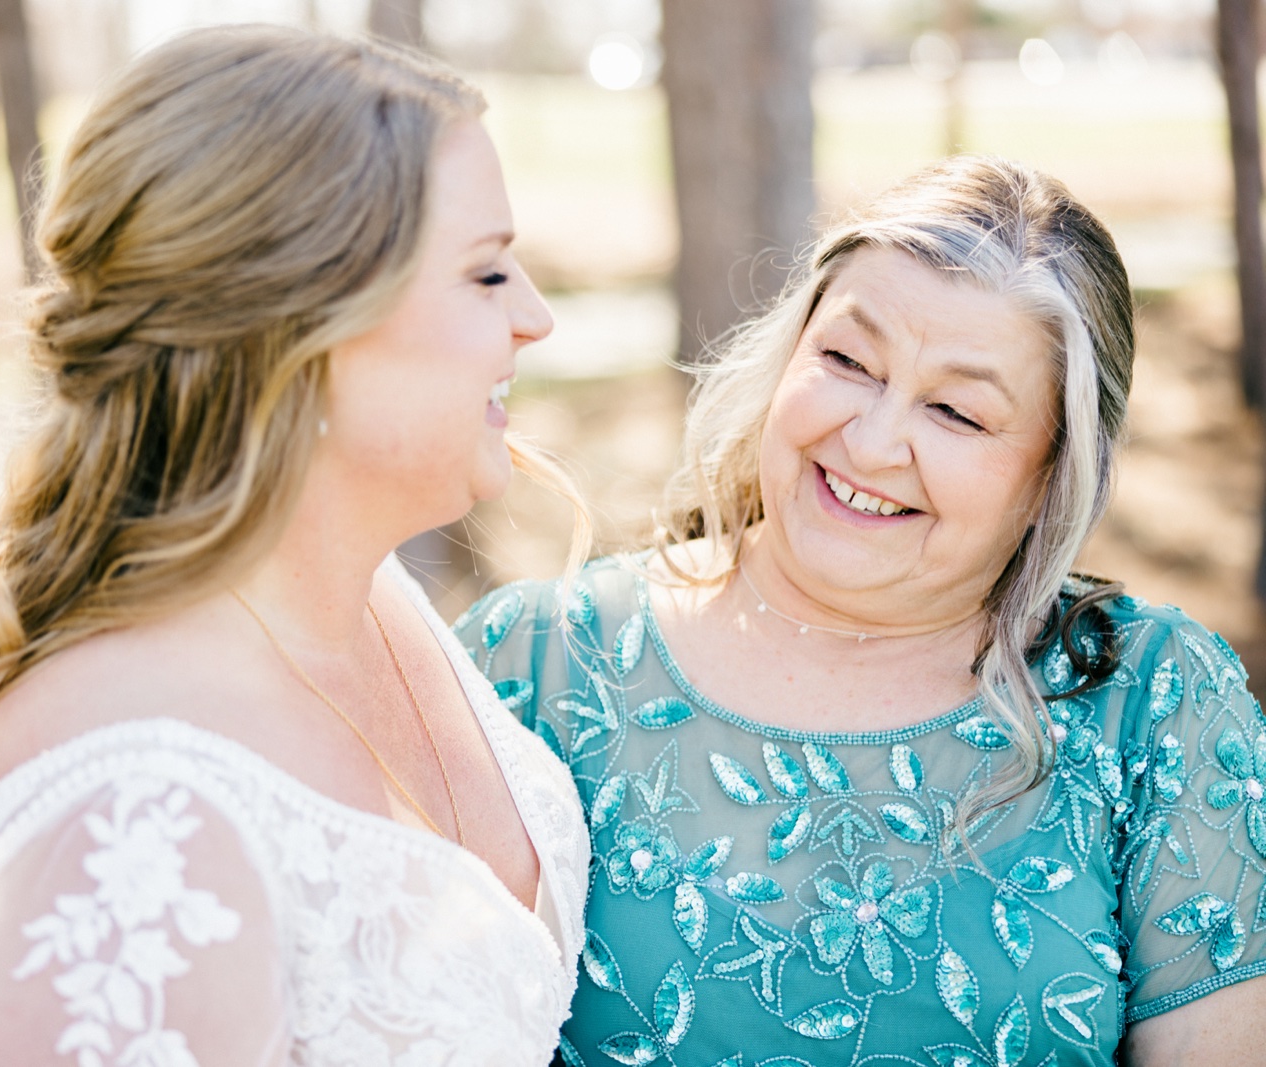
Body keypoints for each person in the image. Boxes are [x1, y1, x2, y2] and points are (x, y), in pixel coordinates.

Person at [0, 26, 591, 1066]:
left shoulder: (371, 598)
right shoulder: (123, 824)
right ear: (300, 331)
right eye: (486, 273)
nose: (536, 317)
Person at [457, 156, 1266, 1066]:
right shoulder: (532, 660)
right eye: (846, 360)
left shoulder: (1155, 703)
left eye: (957, 412)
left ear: (1052, 475)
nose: (874, 440)